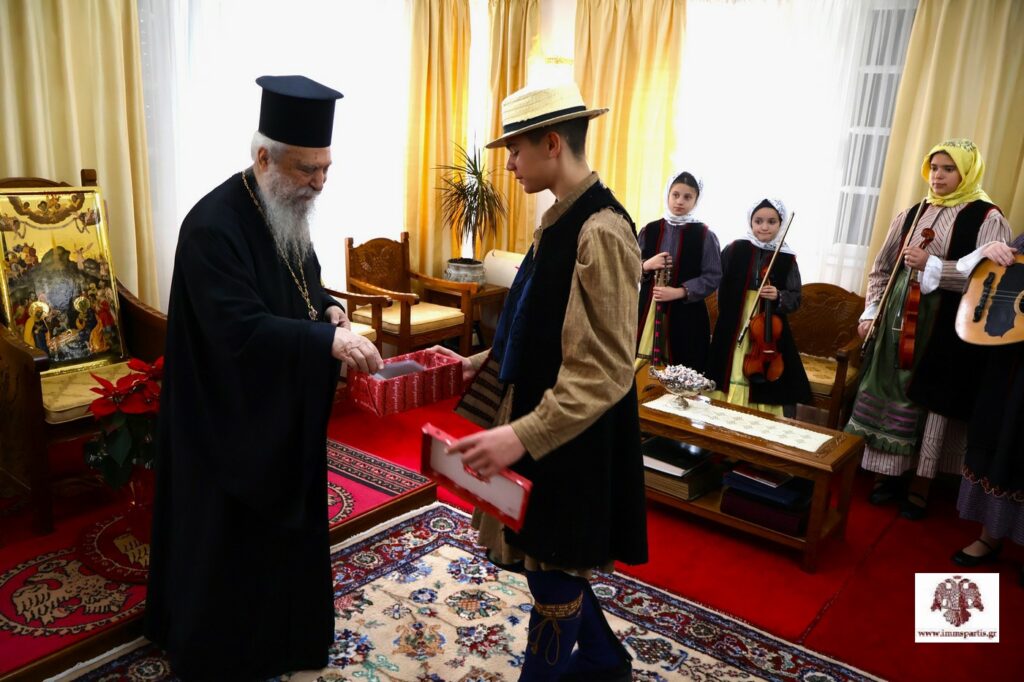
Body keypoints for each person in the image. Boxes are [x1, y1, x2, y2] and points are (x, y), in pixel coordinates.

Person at [144, 75, 383, 680]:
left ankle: (289, 638)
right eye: (308, 169)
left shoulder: (286, 209)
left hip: (278, 414)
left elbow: (305, 284)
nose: (319, 183)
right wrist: (328, 342)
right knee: (228, 549)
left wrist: (331, 310)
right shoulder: (211, 227)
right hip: (224, 420)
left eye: (326, 168)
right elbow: (239, 330)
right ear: (263, 158)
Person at [434, 82, 647, 682]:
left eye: (515, 149)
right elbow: (541, 322)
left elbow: (605, 368)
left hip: (572, 434)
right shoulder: (560, 219)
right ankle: (605, 661)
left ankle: (583, 666)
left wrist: (520, 435)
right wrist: (481, 361)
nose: (508, 164)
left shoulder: (601, 230)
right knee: (546, 560)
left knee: (554, 567)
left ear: (552, 143)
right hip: (544, 420)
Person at [846, 139, 1011, 520]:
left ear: (967, 172)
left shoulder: (988, 218)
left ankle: (921, 483)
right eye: (934, 168)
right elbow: (882, 269)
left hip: (945, 328)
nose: (938, 176)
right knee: (890, 392)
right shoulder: (912, 213)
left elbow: (991, 281)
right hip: (896, 324)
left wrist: (933, 265)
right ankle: (887, 474)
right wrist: (871, 312)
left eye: (948, 169)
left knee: (930, 401)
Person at [950, 235, 1023, 582]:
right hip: (1009, 361)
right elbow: (983, 279)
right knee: (998, 439)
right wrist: (987, 253)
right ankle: (990, 536)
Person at [706, 198, 811, 416]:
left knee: (767, 370)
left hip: (769, 327)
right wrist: (729, 312)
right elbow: (721, 286)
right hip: (735, 320)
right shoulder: (734, 248)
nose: (764, 227)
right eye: (758, 221)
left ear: (780, 224)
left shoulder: (787, 257)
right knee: (728, 364)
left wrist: (779, 296)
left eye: (772, 222)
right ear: (750, 222)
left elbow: (796, 297)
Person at [636, 170, 722, 372]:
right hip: (647, 311)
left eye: (687, 197)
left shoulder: (705, 235)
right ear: (668, 194)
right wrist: (646, 265)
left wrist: (679, 291)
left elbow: (713, 276)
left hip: (687, 316)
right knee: (640, 371)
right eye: (675, 194)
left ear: (696, 200)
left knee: (682, 370)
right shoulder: (649, 230)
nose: (680, 201)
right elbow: (628, 268)